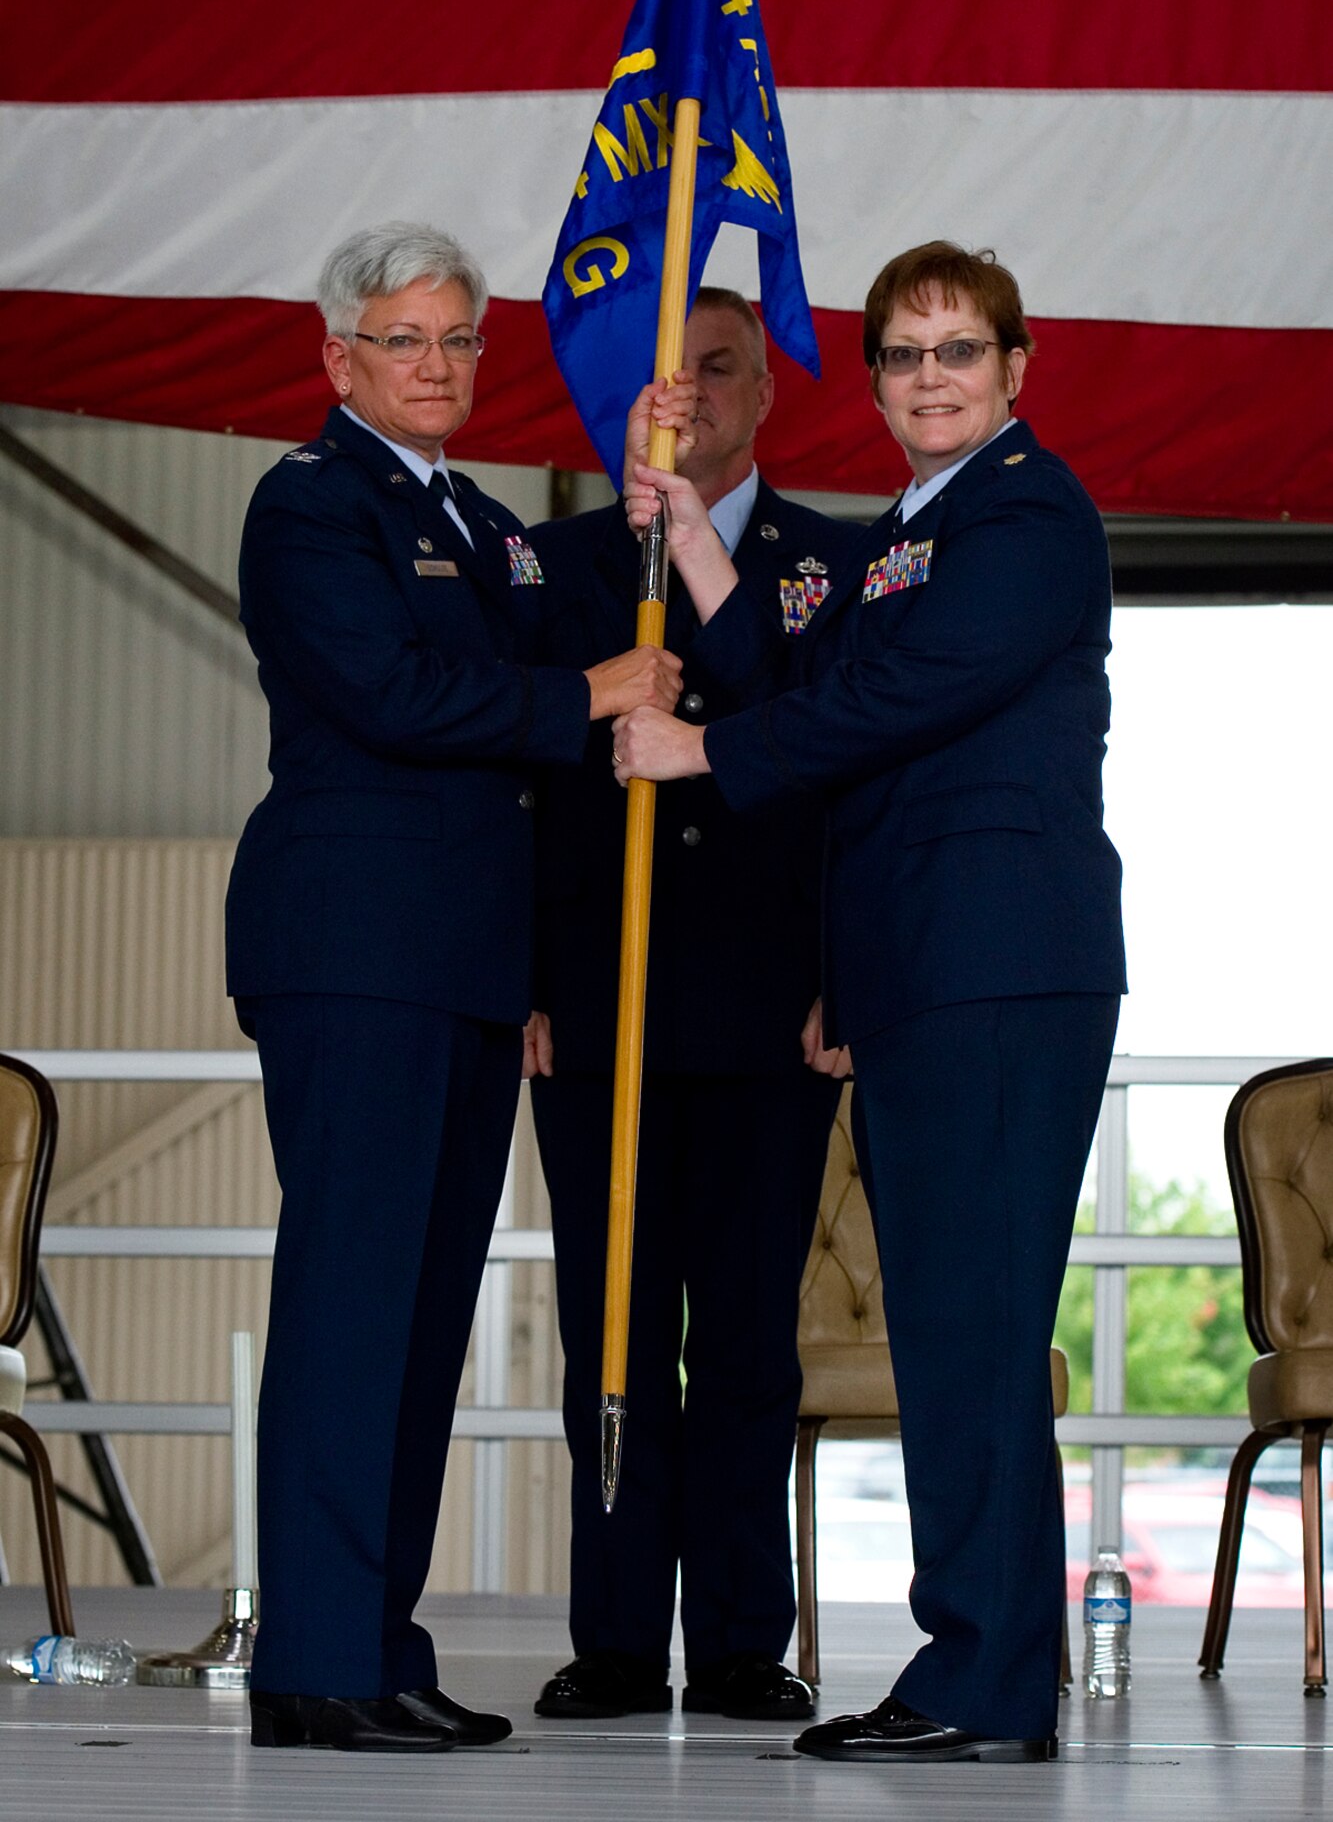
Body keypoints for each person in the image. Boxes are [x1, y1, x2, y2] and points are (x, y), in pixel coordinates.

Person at [612, 241, 1127, 1762]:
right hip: (920, 969)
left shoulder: (1026, 511)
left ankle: (976, 1683)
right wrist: (696, 541)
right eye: (900, 356)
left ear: (1014, 369)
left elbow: (901, 699)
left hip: (992, 961)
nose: (925, 380)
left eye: (955, 352)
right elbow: (808, 661)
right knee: (945, 1327)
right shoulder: (917, 527)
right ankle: (972, 1665)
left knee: (968, 1330)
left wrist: (702, 757)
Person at [224, 222, 680, 1754]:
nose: (434, 365)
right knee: (355, 1306)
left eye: (456, 342)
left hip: (467, 969)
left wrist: (642, 499)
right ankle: (312, 1660)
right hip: (357, 953)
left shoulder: (479, 520)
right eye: (404, 340)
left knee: (419, 1321)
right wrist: (582, 700)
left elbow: (575, 609)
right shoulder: (308, 508)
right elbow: (392, 694)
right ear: (339, 358)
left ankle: (370, 1642)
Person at [526, 291, 856, 1722]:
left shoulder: (830, 570)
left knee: (741, 1339)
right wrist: (523, 980)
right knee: (605, 1328)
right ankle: (611, 1639)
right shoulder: (546, 568)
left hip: (768, 1010)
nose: (692, 396)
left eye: (721, 370)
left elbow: (848, 784)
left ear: (764, 393)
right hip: (595, 1014)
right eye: (666, 376)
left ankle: (734, 1641)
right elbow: (511, 797)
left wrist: (846, 966)